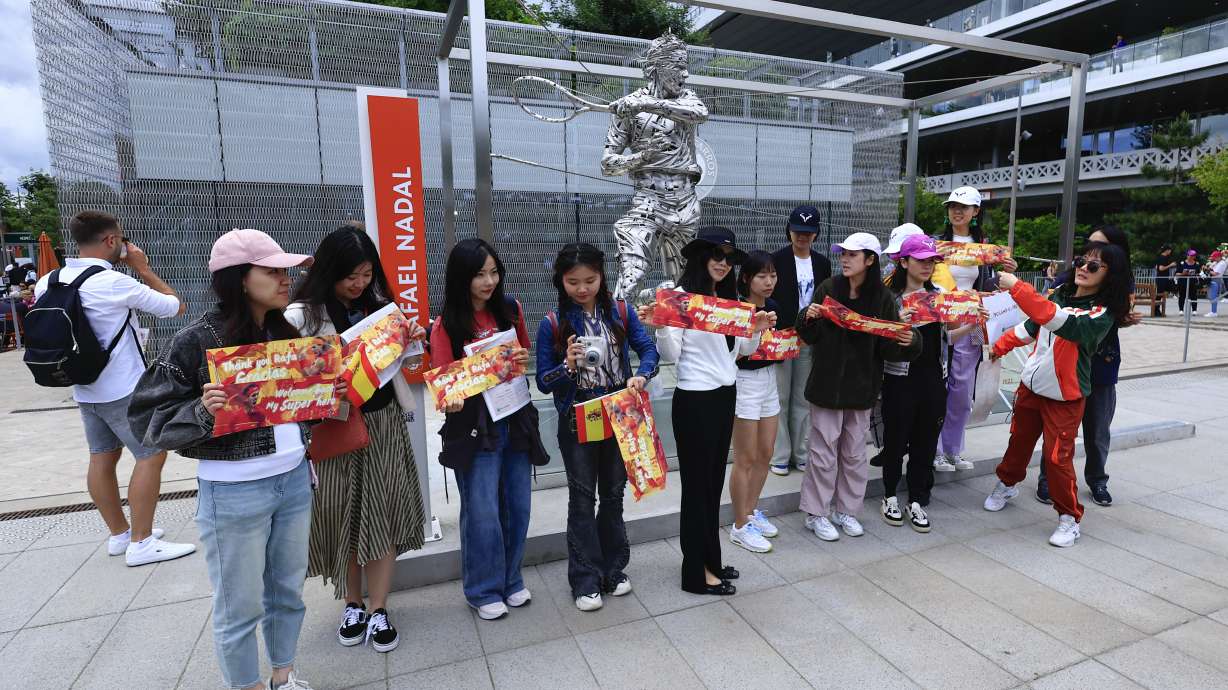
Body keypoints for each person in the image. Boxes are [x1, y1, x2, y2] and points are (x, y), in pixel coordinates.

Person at [128, 228, 316, 690]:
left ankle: (283, 676)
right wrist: (202, 410)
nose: (284, 278)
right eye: (271, 270)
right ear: (239, 278)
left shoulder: (283, 331)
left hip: (293, 480)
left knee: (288, 592)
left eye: (284, 269)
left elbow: (303, 404)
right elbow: (145, 419)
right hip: (234, 491)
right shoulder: (198, 339)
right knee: (239, 606)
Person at [284, 226, 428, 653]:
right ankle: (352, 603)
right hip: (336, 429)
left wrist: (411, 341)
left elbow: (404, 365)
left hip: (383, 421)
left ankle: (380, 607)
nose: (359, 284)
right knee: (344, 515)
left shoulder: (383, 309)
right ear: (328, 270)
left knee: (380, 512)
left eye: (366, 274)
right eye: (350, 275)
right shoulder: (301, 316)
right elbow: (294, 383)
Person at [32, 211, 194, 566]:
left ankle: (120, 535)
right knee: (151, 455)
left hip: (84, 387)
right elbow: (176, 306)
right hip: (124, 388)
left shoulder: (49, 280)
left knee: (102, 457)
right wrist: (143, 268)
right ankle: (142, 542)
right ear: (110, 241)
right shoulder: (114, 283)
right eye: (120, 238)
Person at [646, 226, 774, 595]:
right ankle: (695, 573)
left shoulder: (728, 301)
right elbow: (671, 355)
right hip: (695, 400)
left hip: (724, 395)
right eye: (716, 255)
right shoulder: (679, 298)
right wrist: (665, 322)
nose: (722, 263)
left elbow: (741, 352)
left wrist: (758, 327)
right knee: (697, 489)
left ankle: (710, 560)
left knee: (712, 484)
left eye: (728, 257)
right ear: (701, 257)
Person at [535, 243, 659, 612]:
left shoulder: (620, 311)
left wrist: (642, 375)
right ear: (561, 281)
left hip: (620, 410)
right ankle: (585, 578)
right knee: (581, 497)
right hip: (578, 415)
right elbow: (543, 381)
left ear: (602, 276)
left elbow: (648, 348)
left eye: (590, 280)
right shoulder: (552, 323)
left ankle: (614, 569)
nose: (582, 288)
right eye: (573, 282)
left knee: (614, 494)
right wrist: (567, 367)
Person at [983, 241, 1132, 548]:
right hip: (1031, 389)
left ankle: (1069, 517)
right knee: (1019, 443)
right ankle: (1007, 483)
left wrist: (1016, 287)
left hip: (1065, 397)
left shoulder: (1100, 315)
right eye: (1081, 260)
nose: (1082, 268)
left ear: (1109, 275)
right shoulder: (1060, 296)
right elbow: (1031, 327)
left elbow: (1056, 320)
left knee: (1056, 458)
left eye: (1093, 265)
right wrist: (997, 348)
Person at [430, 238, 547, 621]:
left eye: (494, 272)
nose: (489, 281)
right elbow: (445, 385)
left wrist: (518, 358)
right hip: (475, 429)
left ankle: (511, 579)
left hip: (514, 418)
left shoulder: (511, 310)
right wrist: (454, 396)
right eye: (479, 274)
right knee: (482, 511)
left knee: (517, 505)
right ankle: (482, 589)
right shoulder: (446, 324)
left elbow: (522, 355)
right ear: (461, 277)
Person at [795, 233, 920, 542]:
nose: (845, 259)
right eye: (843, 254)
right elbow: (810, 336)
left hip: (862, 391)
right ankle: (816, 513)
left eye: (852, 254)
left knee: (853, 454)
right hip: (825, 387)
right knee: (822, 453)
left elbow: (891, 349)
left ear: (870, 260)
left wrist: (909, 341)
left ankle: (846, 511)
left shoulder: (883, 298)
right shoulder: (829, 288)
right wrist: (807, 317)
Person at [879, 235, 979, 533]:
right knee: (895, 440)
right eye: (920, 260)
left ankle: (918, 499)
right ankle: (888, 496)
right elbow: (879, 339)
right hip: (899, 377)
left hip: (934, 377)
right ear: (904, 261)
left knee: (925, 441)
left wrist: (973, 322)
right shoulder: (889, 297)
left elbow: (949, 335)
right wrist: (899, 321)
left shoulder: (938, 295)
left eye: (931, 260)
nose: (927, 265)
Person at [601, 32, 709, 300]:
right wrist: (642, 157)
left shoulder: (686, 98)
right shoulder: (628, 111)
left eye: (686, 67)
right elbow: (608, 164)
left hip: (685, 203)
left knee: (687, 287)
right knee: (632, 276)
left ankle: (657, 299)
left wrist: (646, 104)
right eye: (678, 67)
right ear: (654, 70)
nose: (685, 75)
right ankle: (615, 334)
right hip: (648, 201)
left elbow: (700, 114)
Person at [1037, 226, 1136, 507]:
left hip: (1100, 364)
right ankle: (1048, 479)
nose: (1087, 261)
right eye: (1087, 250)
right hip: (1063, 365)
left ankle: (1097, 480)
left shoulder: (1121, 281)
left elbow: (1118, 313)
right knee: (1057, 430)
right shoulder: (1071, 277)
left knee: (1097, 428)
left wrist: (1123, 317)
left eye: (1099, 250)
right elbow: (1046, 311)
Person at [935, 186, 1017, 474]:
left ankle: (953, 449)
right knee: (938, 389)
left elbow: (990, 286)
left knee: (961, 390)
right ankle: (934, 451)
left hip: (971, 324)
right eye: (953, 206)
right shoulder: (934, 245)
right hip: (940, 323)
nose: (957, 211)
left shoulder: (985, 248)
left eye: (964, 207)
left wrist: (1007, 271)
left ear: (975, 212)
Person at [768, 205, 831, 476]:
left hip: (808, 337)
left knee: (803, 398)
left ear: (816, 233)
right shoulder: (776, 260)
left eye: (808, 232)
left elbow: (826, 299)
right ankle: (780, 455)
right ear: (789, 230)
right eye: (798, 231)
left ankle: (801, 453)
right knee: (779, 396)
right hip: (782, 336)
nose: (802, 237)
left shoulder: (822, 263)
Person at [729, 250, 782, 553]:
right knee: (745, 457)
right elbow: (734, 354)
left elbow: (778, 345)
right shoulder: (737, 310)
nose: (769, 281)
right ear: (747, 278)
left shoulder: (774, 306)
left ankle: (750, 512)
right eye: (762, 276)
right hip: (744, 382)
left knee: (765, 453)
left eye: (773, 275)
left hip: (769, 379)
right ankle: (739, 525)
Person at [1175, 249, 1201, 314]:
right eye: (1190, 255)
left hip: (1192, 282)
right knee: (1182, 296)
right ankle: (1181, 310)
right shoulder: (1182, 263)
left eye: (1193, 256)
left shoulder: (1197, 264)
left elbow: (1199, 273)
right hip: (1183, 282)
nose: (1191, 257)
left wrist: (1196, 274)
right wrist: (1182, 274)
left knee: (1193, 296)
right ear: (1187, 255)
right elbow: (1176, 273)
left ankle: (1194, 310)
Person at [1154, 245, 1176, 316]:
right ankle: (1156, 310)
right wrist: (1170, 265)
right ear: (1166, 250)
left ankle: (1156, 310)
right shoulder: (1163, 258)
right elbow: (1160, 268)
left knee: (1160, 294)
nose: (1170, 251)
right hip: (1161, 278)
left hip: (1162, 278)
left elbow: (1156, 267)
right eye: (1169, 250)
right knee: (1159, 294)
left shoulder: (1161, 257)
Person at [1204, 250, 1226, 317]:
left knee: (1213, 296)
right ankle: (1213, 311)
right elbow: (1211, 269)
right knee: (1211, 296)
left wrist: (1207, 270)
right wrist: (1208, 269)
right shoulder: (1216, 263)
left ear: (1218, 257)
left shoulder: (1222, 263)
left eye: (1215, 257)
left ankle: (1214, 312)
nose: (1213, 258)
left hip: (1217, 280)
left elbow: (1215, 273)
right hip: (1213, 279)